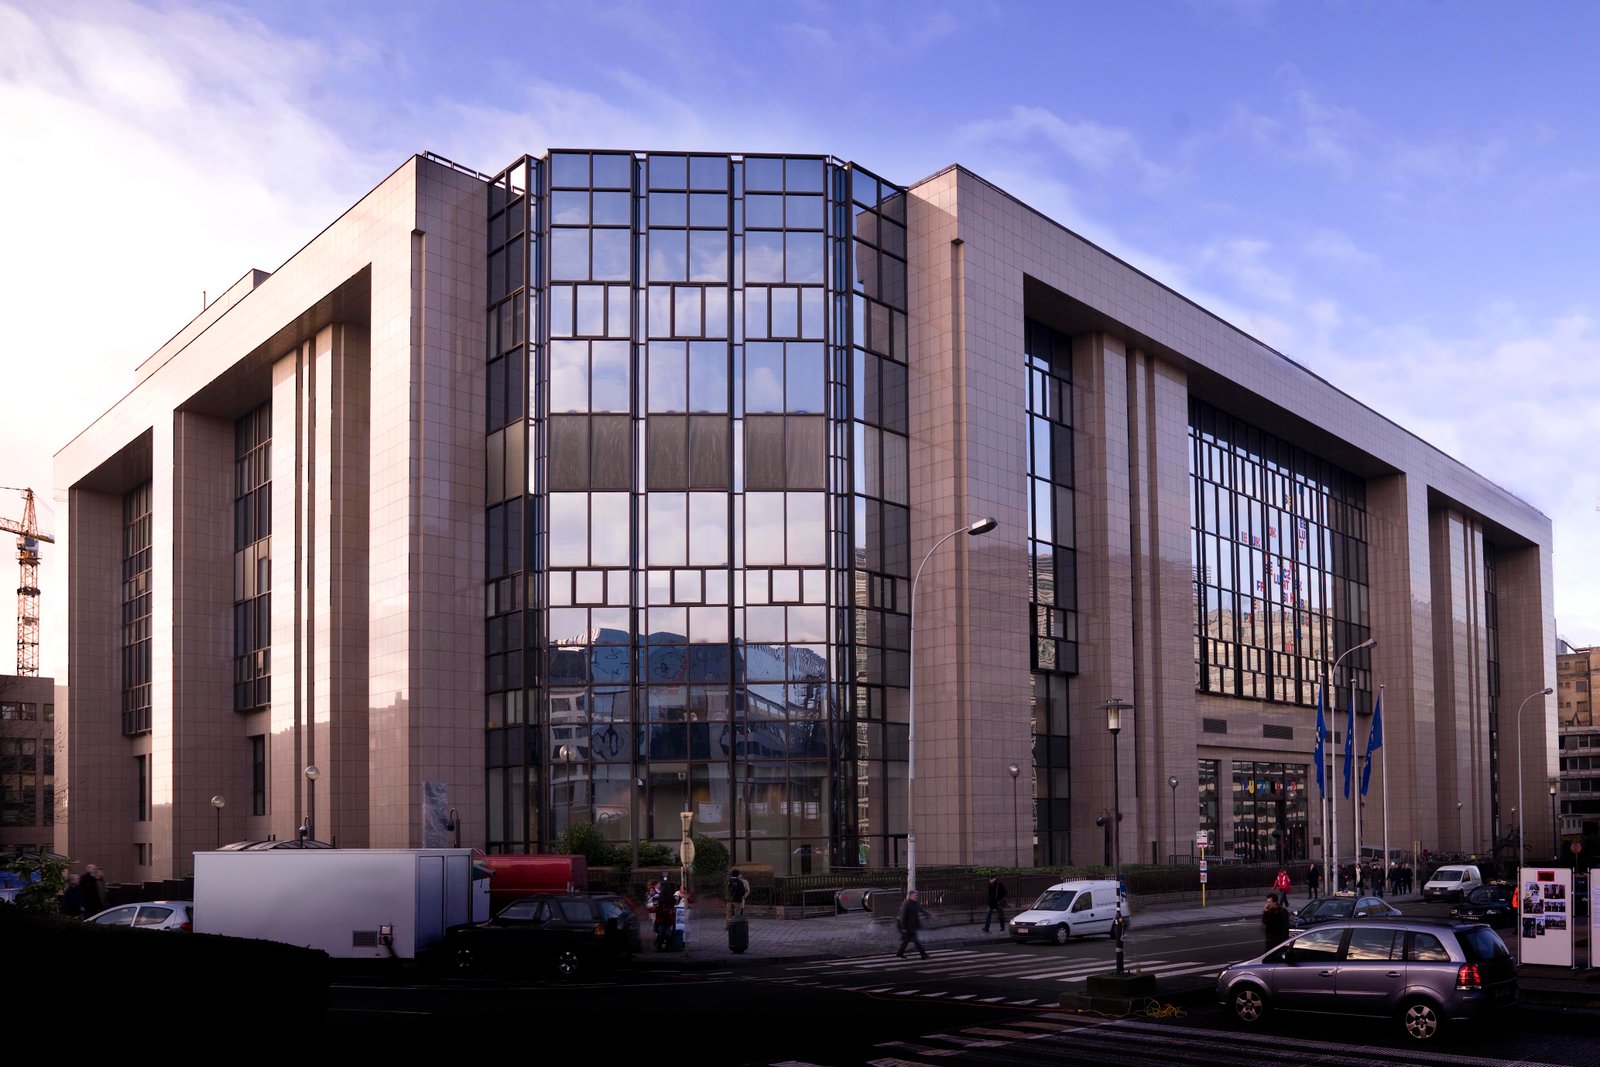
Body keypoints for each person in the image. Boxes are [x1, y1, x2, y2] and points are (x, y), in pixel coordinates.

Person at [896, 889, 929, 959]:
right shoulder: (906, 904)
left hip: (911, 926)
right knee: (916, 941)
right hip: (907, 926)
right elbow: (903, 916)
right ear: (910, 896)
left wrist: (928, 915)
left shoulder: (915, 903)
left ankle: (900, 953)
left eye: (916, 895)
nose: (916, 897)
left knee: (906, 941)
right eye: (915, 895)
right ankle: (923, 954)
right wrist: (903, 927)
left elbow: (921, 910)